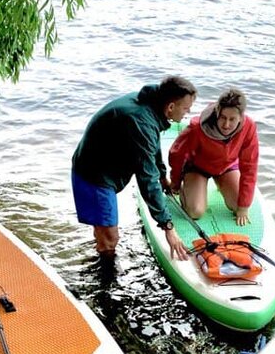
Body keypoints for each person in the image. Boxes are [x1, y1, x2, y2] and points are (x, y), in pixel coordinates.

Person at [71, 74, 196, 264]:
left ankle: (100, 248)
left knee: (104, 232)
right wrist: (168, 227)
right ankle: (104, 284)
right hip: (94, 175)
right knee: (110, 239)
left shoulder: (153, 105)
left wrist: (163, 177)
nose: (188, 112)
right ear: (170, 107)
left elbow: (152, 146)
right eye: (186, 108)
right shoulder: (142, 121)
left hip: (101, 165)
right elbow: (147, 180)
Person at [168, 88, 258, 227]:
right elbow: (177, 154)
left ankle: (220, 183)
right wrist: (175, 182)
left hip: (226, 167)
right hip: (198, 168)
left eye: (232, 119)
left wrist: (243, 206)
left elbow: (250, 166)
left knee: (238, 205)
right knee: (195, 212)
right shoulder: (198, 127)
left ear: (241, 117)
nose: (226, 125)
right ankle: (190, 187)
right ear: (217, 113)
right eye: (223, 117)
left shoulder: (249, 127)